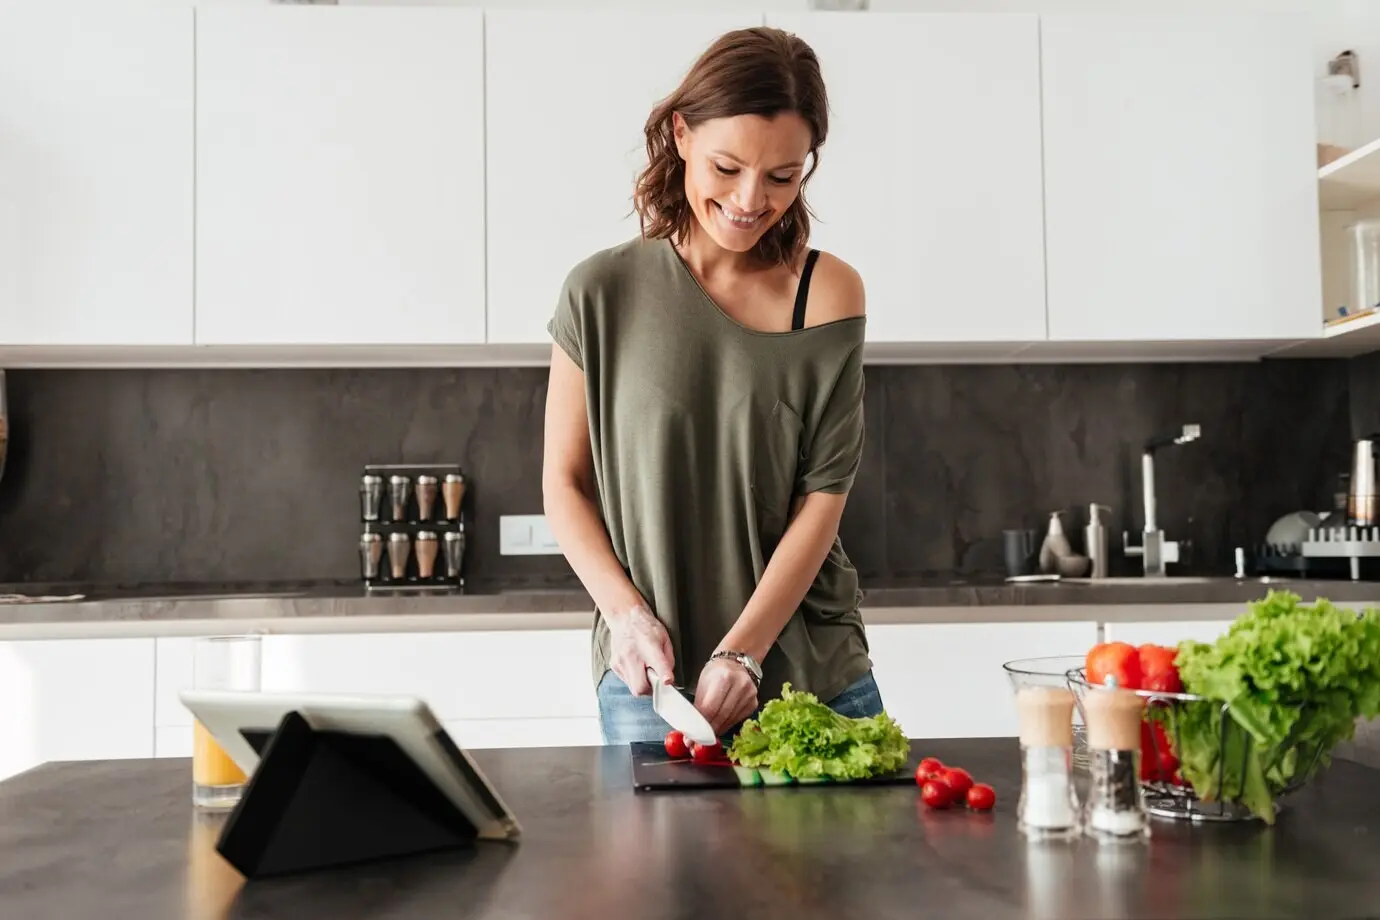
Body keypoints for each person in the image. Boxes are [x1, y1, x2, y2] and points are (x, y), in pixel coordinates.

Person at [542, 26, 881, 746]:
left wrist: (745, 649)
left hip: (813, 673)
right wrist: (627, 617)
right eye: (727, 166)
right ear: (681, 135)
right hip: (652, 681)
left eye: (783, 176)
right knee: (660, 867)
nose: (751, 200)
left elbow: (823, 498)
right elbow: (563, 484)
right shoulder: (600, 292)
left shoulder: (826, 292)